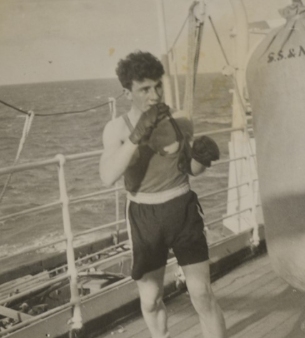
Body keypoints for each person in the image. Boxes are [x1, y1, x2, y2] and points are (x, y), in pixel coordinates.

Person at [99, 51, 226, 338]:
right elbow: (107, 176)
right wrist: (137, 136)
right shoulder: (117, 129)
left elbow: (189, 170)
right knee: (151, 298)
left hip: (182, 209)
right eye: (144, 89)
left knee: (202, 293)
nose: (154, 95)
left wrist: (202, 159)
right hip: (145, 216)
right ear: (127, 91)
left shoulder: (180, 120)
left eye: (158, 86)